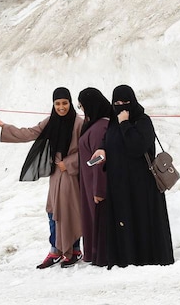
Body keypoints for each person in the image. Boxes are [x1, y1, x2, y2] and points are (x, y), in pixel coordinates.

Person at [0, 87, 83, 269]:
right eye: (57, 103)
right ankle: (57, 250)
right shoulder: (50, 122)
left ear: (70, 103)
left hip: (70, 176)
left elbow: (87, 150)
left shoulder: (79, 123)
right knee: (53, 211)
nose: (61, 107)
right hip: (56, 175)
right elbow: (30, 133)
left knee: (68, 211)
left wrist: (70, 162)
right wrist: (4, 126)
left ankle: (72, 250)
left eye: (64, 103)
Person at [91, 84, 174, 269]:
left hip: (141, 185)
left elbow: (137, 146)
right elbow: (109, 141)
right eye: (117, 103)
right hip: (119, 184)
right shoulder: (113, 122)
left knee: (142, 220)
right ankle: (125, 258)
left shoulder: (143, 121)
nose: (121, 106)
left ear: (133, 101)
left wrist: (125, 123)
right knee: (124, 220)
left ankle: (147, 258)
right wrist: (102, 150)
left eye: (126, 102)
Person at [77, 87, 112, 267]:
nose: (82, 111)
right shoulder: (97, 125)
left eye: (82, 106)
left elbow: (99, 160)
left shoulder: (100, 128)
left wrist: (98, 189)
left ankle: (100, 255)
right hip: (90, 181)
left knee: (97, 220)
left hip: (95, 183)